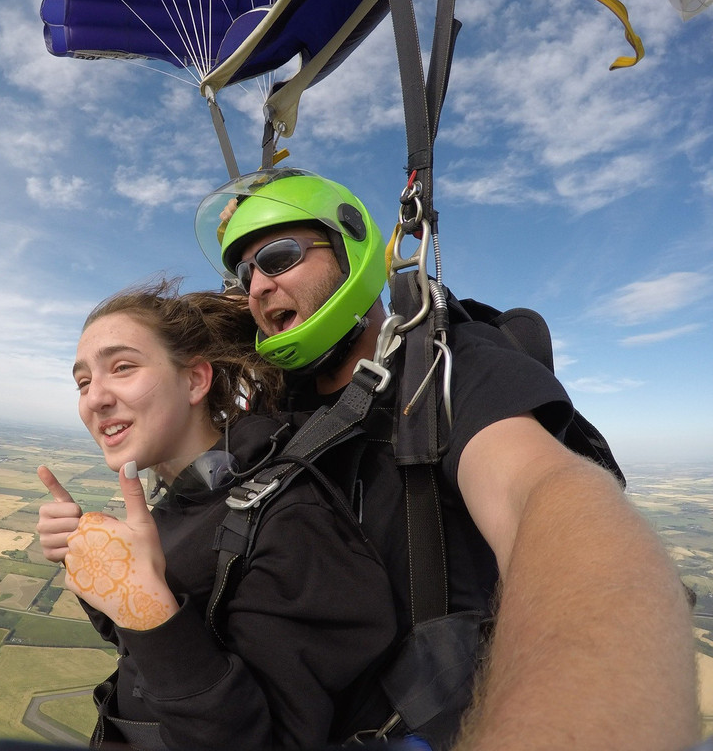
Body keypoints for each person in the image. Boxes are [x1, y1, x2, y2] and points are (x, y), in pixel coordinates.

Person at [194, 168, 700, 751]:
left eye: (278, 257)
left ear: (348, 249)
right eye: (244, 272)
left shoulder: (446, 368)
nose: (256, 286)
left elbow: (547, 496)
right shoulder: (278, 409)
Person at [35, 280, 400, 750]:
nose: (95, 398)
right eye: (83, 381)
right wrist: (96, 569)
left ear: (194, 380)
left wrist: (146, 610)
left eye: (122, 368)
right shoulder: (188, 500)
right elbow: (149, 646)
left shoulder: (290, 519)